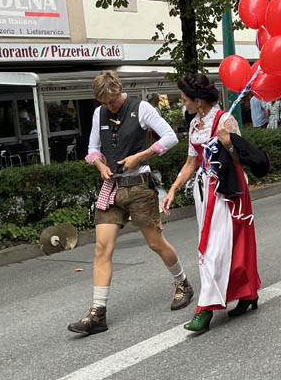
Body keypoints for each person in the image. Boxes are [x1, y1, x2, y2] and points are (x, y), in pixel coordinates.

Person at [68, 70, 191, 336]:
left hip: (138, 185)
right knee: (102, 248)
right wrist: (100, 164)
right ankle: (97, 313)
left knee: (155, 243)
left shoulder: (141, 108)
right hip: (111, 187)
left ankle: (183, 283)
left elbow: (170, 137)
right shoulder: (99, 113)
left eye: (112, 100)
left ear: (120, 89)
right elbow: (91, 149)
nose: (109, 105)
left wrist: (142, 155)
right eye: (104, 102)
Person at [162, 74, 261, 332]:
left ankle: (205, 309)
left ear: (198, 100)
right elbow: (191, 162)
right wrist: (173, 188)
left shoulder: (225, 120)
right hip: (204, 190)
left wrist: (227, 142)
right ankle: (248, 293)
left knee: (215, 248)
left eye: (185, 99)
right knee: (221, 246)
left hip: (228, 190)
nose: (182, 103)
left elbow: (241, 158)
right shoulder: (195, 125)